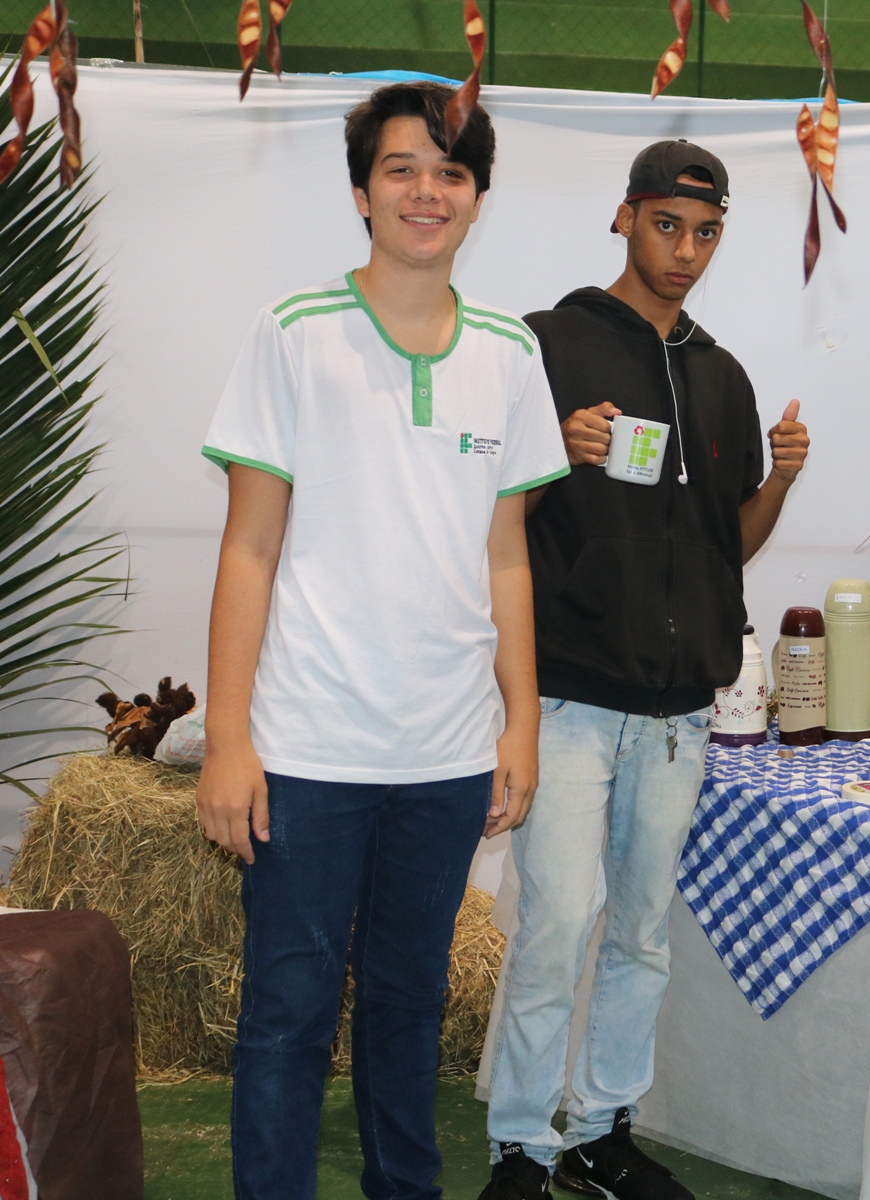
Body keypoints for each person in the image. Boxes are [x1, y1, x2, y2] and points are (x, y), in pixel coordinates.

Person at [195, 83, 568, 1200]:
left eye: (451, 173)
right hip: (307, 749)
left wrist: (520, 724)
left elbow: (507, 557)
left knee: (409, 1008)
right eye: (402, 169)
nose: (426, 192)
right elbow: (248, 549)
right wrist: (229, 740)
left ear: (478, 198)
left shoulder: (511, 352)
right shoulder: (294, 333)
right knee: (288, 1016)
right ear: (362, 192)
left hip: (446, 755)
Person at [480, 140, 810, 1200]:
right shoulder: (546, 342)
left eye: (706, 233)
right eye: (668, 225)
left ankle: (601, 1131)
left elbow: (727, 547)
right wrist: (556, 450)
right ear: (625, 217)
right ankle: (521, 1146)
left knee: (641, 933)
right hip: (570, 697)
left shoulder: (723, 376)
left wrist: (780, 483)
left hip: (679, 714)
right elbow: (490, 515)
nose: (686, 251)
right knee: (553, 929)